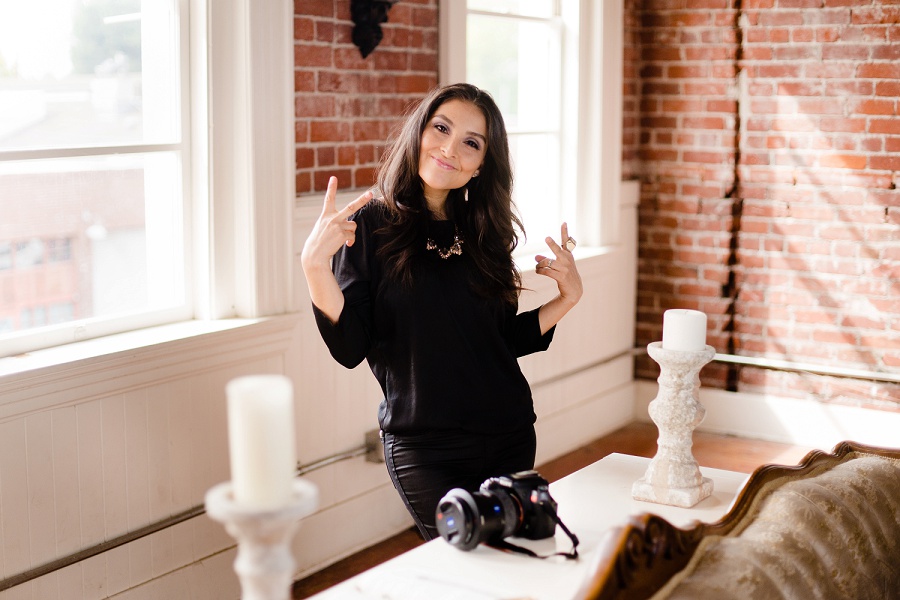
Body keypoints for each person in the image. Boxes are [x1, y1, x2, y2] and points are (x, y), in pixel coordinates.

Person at [301, 83, 583, 540]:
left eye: (471, 143)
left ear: (480, 166)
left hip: (509, 431)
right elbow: (351, 348)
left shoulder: (485, 232)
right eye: (441, 128)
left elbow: (498, 342)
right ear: (419, 133)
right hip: (425, 446)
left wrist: (566, 299)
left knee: (514, 559)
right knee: (462, 560)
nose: (450, 149)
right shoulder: (370, 225)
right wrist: (315, 267)